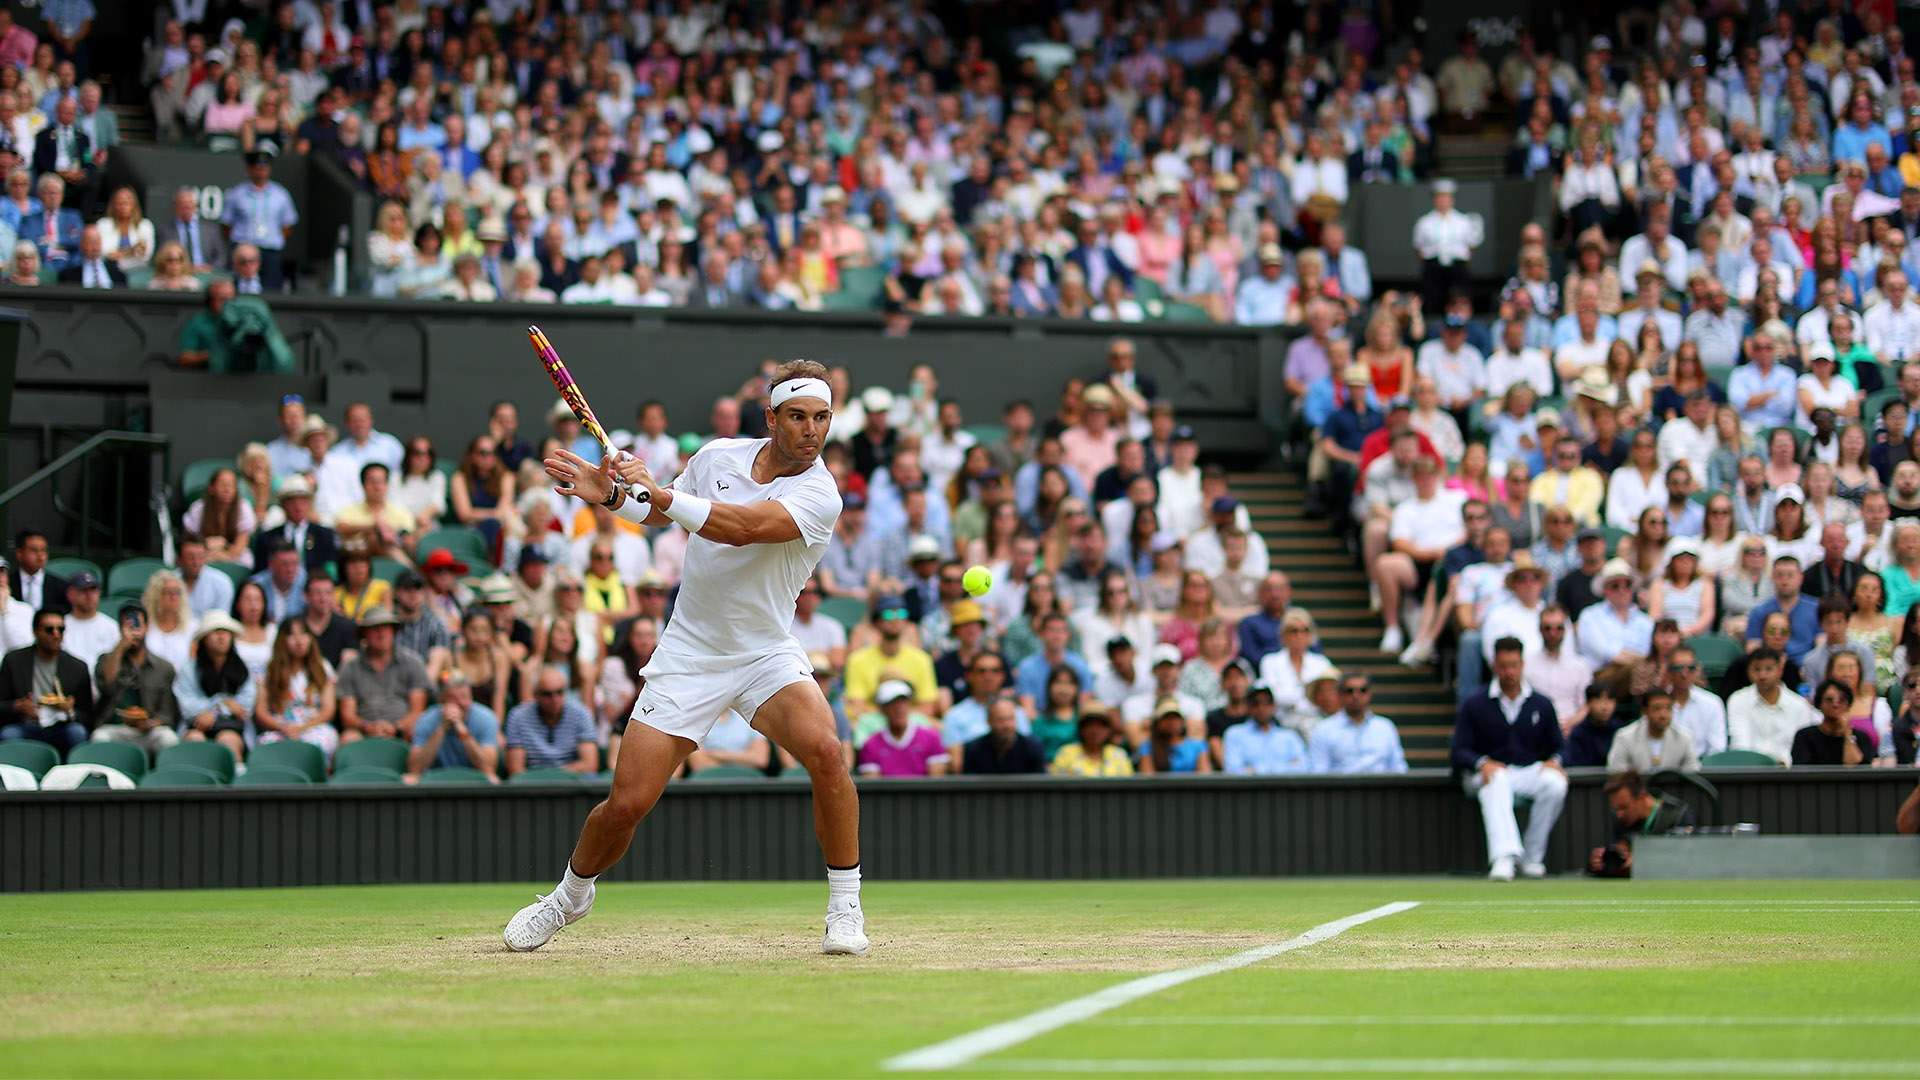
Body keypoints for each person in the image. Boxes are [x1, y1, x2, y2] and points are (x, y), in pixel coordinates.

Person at [509, 362, 866, 957]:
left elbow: (740, 528)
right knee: (625, 806)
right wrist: (615, 498)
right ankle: (569, 896)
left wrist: (660, 492)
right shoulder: (717, 456)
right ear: (771, 417)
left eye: (822, 418)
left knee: (828, 753)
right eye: (798, 416)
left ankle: (845, 906)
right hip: (689, 653)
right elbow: (657, 515)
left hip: (765, 652)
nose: (811, 430)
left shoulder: (820, 493)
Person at [1452, 636, 1567, 881]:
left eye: (1514, 665)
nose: (1509, 672)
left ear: (1522, 664)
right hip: (1482, 777)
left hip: (1525, 773)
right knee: (1498, 778)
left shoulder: (1541, 703)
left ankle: (1532, 858)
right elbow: (1458, 750)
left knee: (1555, 783)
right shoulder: (1474, 703)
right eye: (1503, 666)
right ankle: (1504, 858)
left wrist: (1555, 761)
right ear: (1494, 665)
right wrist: (1482, 763)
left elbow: (1559, 746)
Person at [88, 603, 180, 757]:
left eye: (137, 625)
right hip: (115, 727)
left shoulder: (163, 667)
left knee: (168, 739)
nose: (134, 631)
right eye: (128, 625)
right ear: (120, 628)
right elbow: (107, 685)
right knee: (99, 737)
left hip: (148, 731)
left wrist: (152, 723)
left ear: (147, 627)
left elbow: (167, 713)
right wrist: (120, 647)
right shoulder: (106, 660)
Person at [0, 609, 92, 755]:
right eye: (49, 629)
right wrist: (18, 706)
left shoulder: (77, 667)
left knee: (77, 732)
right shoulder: (14, 661)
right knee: (8, 734)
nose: (56, 634)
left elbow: (88, 715)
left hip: (60, 726)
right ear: (35, 631)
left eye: (60, 629)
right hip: (25, 724)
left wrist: (70, 711)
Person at [335, 606, 430, 741]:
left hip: (403, 730)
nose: (381, 633)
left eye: (386, 628)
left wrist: (396, 727)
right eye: (375, 629)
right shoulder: (350, 667)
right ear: (364, 634)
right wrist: (368, 727)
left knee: (415, 732)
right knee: (348, 739)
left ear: (393, 632)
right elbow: (347, 715)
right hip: (363, 730)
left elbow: (417, 711)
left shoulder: (413, 662)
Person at [173, 612, 255, 760]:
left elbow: (245, 705)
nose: (221, 636)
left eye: (226, 632)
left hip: (232, 727)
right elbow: (187, 705)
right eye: (216, 631)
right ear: (204, 638)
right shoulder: (188, 669)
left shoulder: (242, 668)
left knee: (228, 740)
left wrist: (213, 711)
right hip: (196, 726)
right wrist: (223, 704)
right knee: (194, 740)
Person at [252, 616, 337, 754]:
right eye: (292, 635)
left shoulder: (323, 667)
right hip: (280, 727)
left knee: (321, 742)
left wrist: (302, 727)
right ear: (282, 639)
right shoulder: (269, 669)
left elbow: (328, 710)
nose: (299, 641)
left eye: (304, 634)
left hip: (313, 726)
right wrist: (283, 727)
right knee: (266, 744)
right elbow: (261, 712)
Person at [1589, 770, 1697, 878]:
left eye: (1624, 807)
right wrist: (1601, 863)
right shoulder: (1621, 820)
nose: (1619, 814)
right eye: (1616, 809)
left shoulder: (1679, 815)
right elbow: (1619, 857)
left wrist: (1642, 861)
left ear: (1642, 797)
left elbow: (1686, 860)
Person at [1725, 646, 1817, 765]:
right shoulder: (1737, 699)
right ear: (1748, 671)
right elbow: (1739, 743)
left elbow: (1801, 747)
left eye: (1768, 669)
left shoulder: (1799, 704)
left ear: (1780, 670)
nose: (1762, 675)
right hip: (1748, 771)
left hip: (1789, 773)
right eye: (1757, 669)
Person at [505, 665, 601, 776]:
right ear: (536, 694)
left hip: (572, 784)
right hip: (532, 787)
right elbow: (515, 770)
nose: (555, 699)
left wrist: (553, 775)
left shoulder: (581, 714)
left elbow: (590, 765)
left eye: (559, 692)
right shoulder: (518, 716)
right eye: (547, 694)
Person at [406, 670, 500, 780]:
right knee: (409, 779)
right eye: (453, 698)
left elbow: (488, 768)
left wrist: (463, 733)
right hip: (436, 778)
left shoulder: (486, 717)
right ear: (441, 700)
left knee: (493, 779)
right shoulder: (426, 719)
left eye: (465, 697)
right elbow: (415, 769)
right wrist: (442, 729)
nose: (461, 703)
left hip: (474, 778)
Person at [1308, 673, 1408, 774]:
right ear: (1340, 695)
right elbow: (1319, 771)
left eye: (1363, 690)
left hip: (1382, 787)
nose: (1356, 696)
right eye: (1349, 691)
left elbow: (1398, 767)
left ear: (1369, 694)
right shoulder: (1323, 730)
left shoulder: (1385, 727)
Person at [856, 679, 948, 777]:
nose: (899, 708)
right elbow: (873, 786)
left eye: (903, 702)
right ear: (882, 709)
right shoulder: (871, 745)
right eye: (892, 703)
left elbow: (936, 782)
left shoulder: (931, 738)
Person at [1607, 687, 1701, 772]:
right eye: (1657, 708)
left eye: (1668, 708)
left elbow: (1692, 772)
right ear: (1645, 712)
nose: (1663, 715)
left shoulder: (1684, 737)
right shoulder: (1625, 737)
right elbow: (1616, 773)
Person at [1792, 678, 1875, 766]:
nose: (1835, 704)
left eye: (1841, 700)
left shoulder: (1861, 738)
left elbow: (1854, 770)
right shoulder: (1804, 736)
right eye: (1829, 700)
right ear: (1819, 704)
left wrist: (1848, 735)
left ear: (1848, 705)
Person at [959, 695, 1045, 775]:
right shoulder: (973, 749)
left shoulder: (1033, 747)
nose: (1006, 725)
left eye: (1010, 719)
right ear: (988, 721)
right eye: (1000, 720)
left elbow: (1041, 785)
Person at [1048, 705, 1133, 777]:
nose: (1095, 731)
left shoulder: (1119, 754)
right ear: (1081, 729)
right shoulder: (1066, 753)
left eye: (1101, 726)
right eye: (1089, 725)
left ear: (1109, 730)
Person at [1135, 699, 1213, 774]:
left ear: (1182, 721)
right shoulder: (1148, 747)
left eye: (1175, 718)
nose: (1171, 722)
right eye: (1166, 718)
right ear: (1157, 723)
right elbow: (1148, 778)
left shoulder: (1198, 746)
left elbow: (1204, 774)